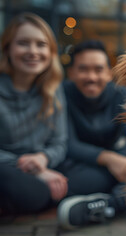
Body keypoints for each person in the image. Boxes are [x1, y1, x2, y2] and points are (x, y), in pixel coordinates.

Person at [57, 40, 126, 229]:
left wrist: (122, 161)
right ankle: (123, 196)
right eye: (83, 69)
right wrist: (108, 159)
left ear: (108, 73)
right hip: (81, 166)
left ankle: (108, 206)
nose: (91, 77)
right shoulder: (61, 94)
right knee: (72, 183)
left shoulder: (120, 94)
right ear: (71, 72)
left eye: (98, 69)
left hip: (119, 164)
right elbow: (68, 143)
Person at [0, 12, 68, 215]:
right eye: (23, 43)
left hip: (36, 169)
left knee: (87, 179)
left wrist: (43, 159)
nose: (33, 51)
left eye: (41, 44)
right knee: (34, 192)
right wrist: (31, 169)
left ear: (51, 51)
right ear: (8, 49)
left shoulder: (53, 88)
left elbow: (60, 142)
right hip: (6, 168)